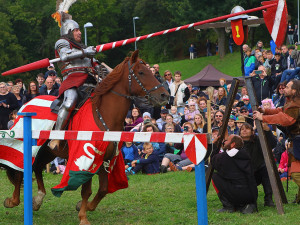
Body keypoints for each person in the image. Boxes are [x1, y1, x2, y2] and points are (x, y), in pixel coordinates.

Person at [49, 17, 102, 150]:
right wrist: (86, 52)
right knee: (69, 102)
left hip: (89, 79)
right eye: (76, 30)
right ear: (69, 31)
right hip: (72, 79)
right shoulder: (62, 42)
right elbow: (65, 55)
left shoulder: (83, 47)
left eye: (79, 30)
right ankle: (57, 136)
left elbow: (95, 64)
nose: (79, 33)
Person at [253, 80, 300, 204]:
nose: (284, 89)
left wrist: (263, 118)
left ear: (294, 90)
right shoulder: (291, 101)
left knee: (296, 173)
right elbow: (281, 111)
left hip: (298, 139)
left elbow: (285, 119)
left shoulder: (296, 103)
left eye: (288, 87)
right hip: (296, 139)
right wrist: (265, 111)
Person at [212, 135, 258, 213]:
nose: (224, 142)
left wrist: (214, 145)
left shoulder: (225, 157)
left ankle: (228, 206)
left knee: (215, 176)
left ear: (232, 144)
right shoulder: (246, 154)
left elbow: (213, 161)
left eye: (226, 141)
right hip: (251, 194)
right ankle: (248, 205)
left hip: (237, 193)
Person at [239, 122, 277, 207]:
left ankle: (268, 199)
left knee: (266, 170)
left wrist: (267, 130)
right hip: (244, 174)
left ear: (252, 132)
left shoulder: (258, 140)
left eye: (247, 128)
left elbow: (272, 144)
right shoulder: (237, 143)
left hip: (258, 171)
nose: (244, 130)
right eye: (242, 129)